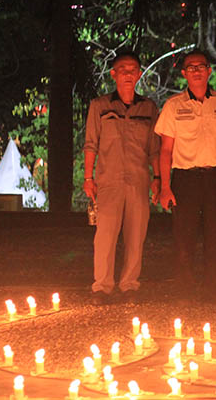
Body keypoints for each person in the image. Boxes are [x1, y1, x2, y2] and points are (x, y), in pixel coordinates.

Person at [155, 50, 216, 302]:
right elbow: (166, 150)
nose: (197, 71)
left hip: (215, 178)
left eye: (201, 66)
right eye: (191, 68)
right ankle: (185, 290)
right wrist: (165, 187)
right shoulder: (173, 106)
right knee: (184, 237)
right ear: (184, 74)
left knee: (215, 235)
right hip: (185, 179)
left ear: (209, 70)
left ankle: (213, 290)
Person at [82, 51, 160, 305]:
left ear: (139, 74)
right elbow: (91, 143)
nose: (128, 73)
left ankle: (129, 285)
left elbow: (154, 148)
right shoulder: (100, 106)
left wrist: (157, 177)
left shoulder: (148, 108)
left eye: (133, 69)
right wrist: (88, 177)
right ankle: (102, 286)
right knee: (105, 235)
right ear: (113, 74)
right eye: (122, 69)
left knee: (136, 235)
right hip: (109, 181)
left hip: (138, 180)